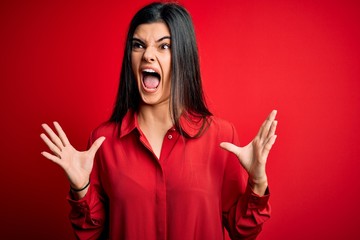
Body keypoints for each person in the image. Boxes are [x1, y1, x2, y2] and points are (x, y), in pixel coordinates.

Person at [40, 2, 278, 240]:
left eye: (164, 46)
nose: (148, 55)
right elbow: (90, 233)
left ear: (184, 56)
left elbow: (242, 230)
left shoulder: (221, 137)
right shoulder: (103, 142)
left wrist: (257, 182)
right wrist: (81, 188)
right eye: (138, 45)